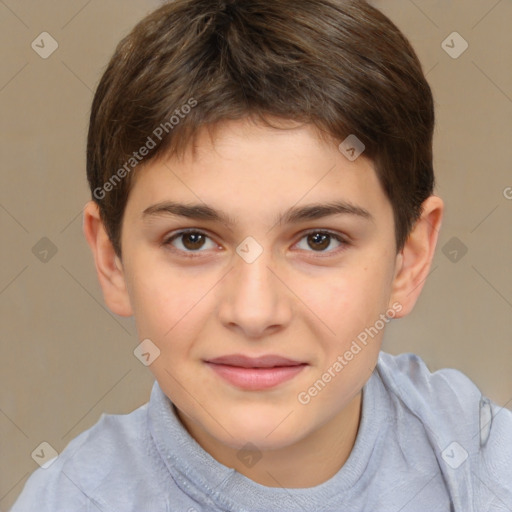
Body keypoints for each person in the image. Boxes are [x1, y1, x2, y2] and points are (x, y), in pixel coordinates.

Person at [10, 0, 512, 510]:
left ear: (409, 259)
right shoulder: (68, 500)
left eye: (319, 239)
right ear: (111, 259)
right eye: (192, 240)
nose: (253, 313)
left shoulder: (486, 464)